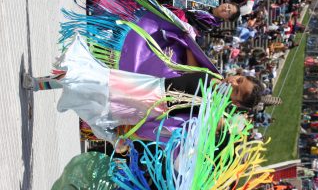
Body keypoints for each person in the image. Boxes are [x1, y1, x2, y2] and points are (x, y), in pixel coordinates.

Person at [23, 35, 263, 144]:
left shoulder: (214, 110)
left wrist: (232, 124)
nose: (234, 83)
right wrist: (184, 36)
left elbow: (215, 125)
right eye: (239, 80)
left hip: (149, 105)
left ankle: (37, 84)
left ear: (237, 104)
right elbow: (189, 68)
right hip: (148, 86)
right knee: (92, 81)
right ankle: (37, 84)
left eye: (237, 91)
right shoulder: (213, 76)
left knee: (92, 85)